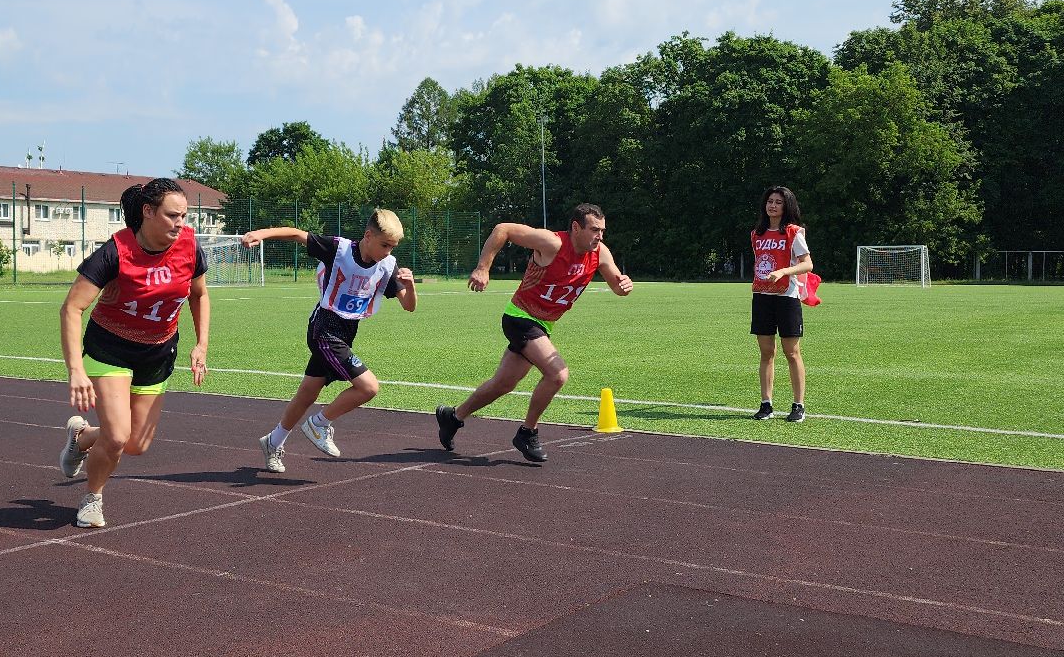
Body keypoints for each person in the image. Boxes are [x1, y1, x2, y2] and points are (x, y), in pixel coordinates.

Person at [56, 178, 211, 527]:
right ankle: (92, 499)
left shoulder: (190, 246)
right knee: (116, 437)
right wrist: (76, 369)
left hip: (157, 352)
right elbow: (72, 308)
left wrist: (201, 344)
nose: (180, 223)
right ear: (148, 212)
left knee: (136, 444)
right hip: (110, 348)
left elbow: (199, 295)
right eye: (172, 215)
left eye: (184, 216)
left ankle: (82, 437)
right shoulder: (115, 252)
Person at [435, 203, 633, 463]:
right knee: (557, 374)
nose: (600, 236)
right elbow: (503, 229)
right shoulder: (552, 243)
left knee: (503, 384)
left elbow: (616, 284)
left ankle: (453, 416)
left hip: (543, 325)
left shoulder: (600, 253)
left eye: (602, 231)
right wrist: (483, 267)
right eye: (595, 230)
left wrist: (623, 285)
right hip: (520, 317)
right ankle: (527, 432)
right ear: (576, 227)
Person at [244, 211, 418, 471]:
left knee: (307, 393)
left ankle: (273, 441)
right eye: (385, 245)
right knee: (369, 387)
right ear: (368, 236)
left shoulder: (387, 265)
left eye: (393, 247)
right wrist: (261, 234)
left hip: (346, 333)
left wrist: (411, 286)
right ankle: (319, 424)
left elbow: (409, 306)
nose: (388, 252)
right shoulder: (339, 249)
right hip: (324, 329)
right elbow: (297, 234)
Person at [750, 186, 813, 422]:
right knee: (766, 352)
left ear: (786, 206)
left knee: (792, 352)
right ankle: (766, 404)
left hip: (787, 297)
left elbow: (807, 264)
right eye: (770, 201)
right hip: (762, 297)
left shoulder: (793, 233)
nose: (773, 206)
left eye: (778, 202)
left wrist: (784, 271)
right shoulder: (756, 234)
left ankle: (798, 405)